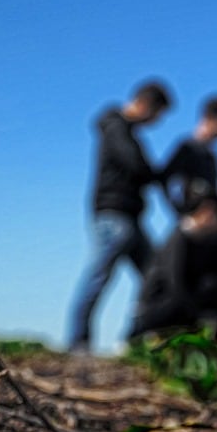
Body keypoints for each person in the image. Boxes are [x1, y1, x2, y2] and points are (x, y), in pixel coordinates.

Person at [67, 79, 173, 352]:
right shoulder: (116, 127)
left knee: (155, 275)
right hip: (114, 216)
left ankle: (135, 339)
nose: (156, 122)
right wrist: (158, 173)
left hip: (131, 218)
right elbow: (136, 166)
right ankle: (78, 342)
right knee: (98, 277)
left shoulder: (128, 133)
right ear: (147, 105)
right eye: (158, 115)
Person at [129, 96, 217, 337]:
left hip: (210, 234)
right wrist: (183, 214)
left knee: (211, 286)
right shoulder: (187, 148)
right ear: (214, 120)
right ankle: (140, 333)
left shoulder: (212, 156)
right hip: (189, 233)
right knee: (173, 283)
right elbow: (165, 179)